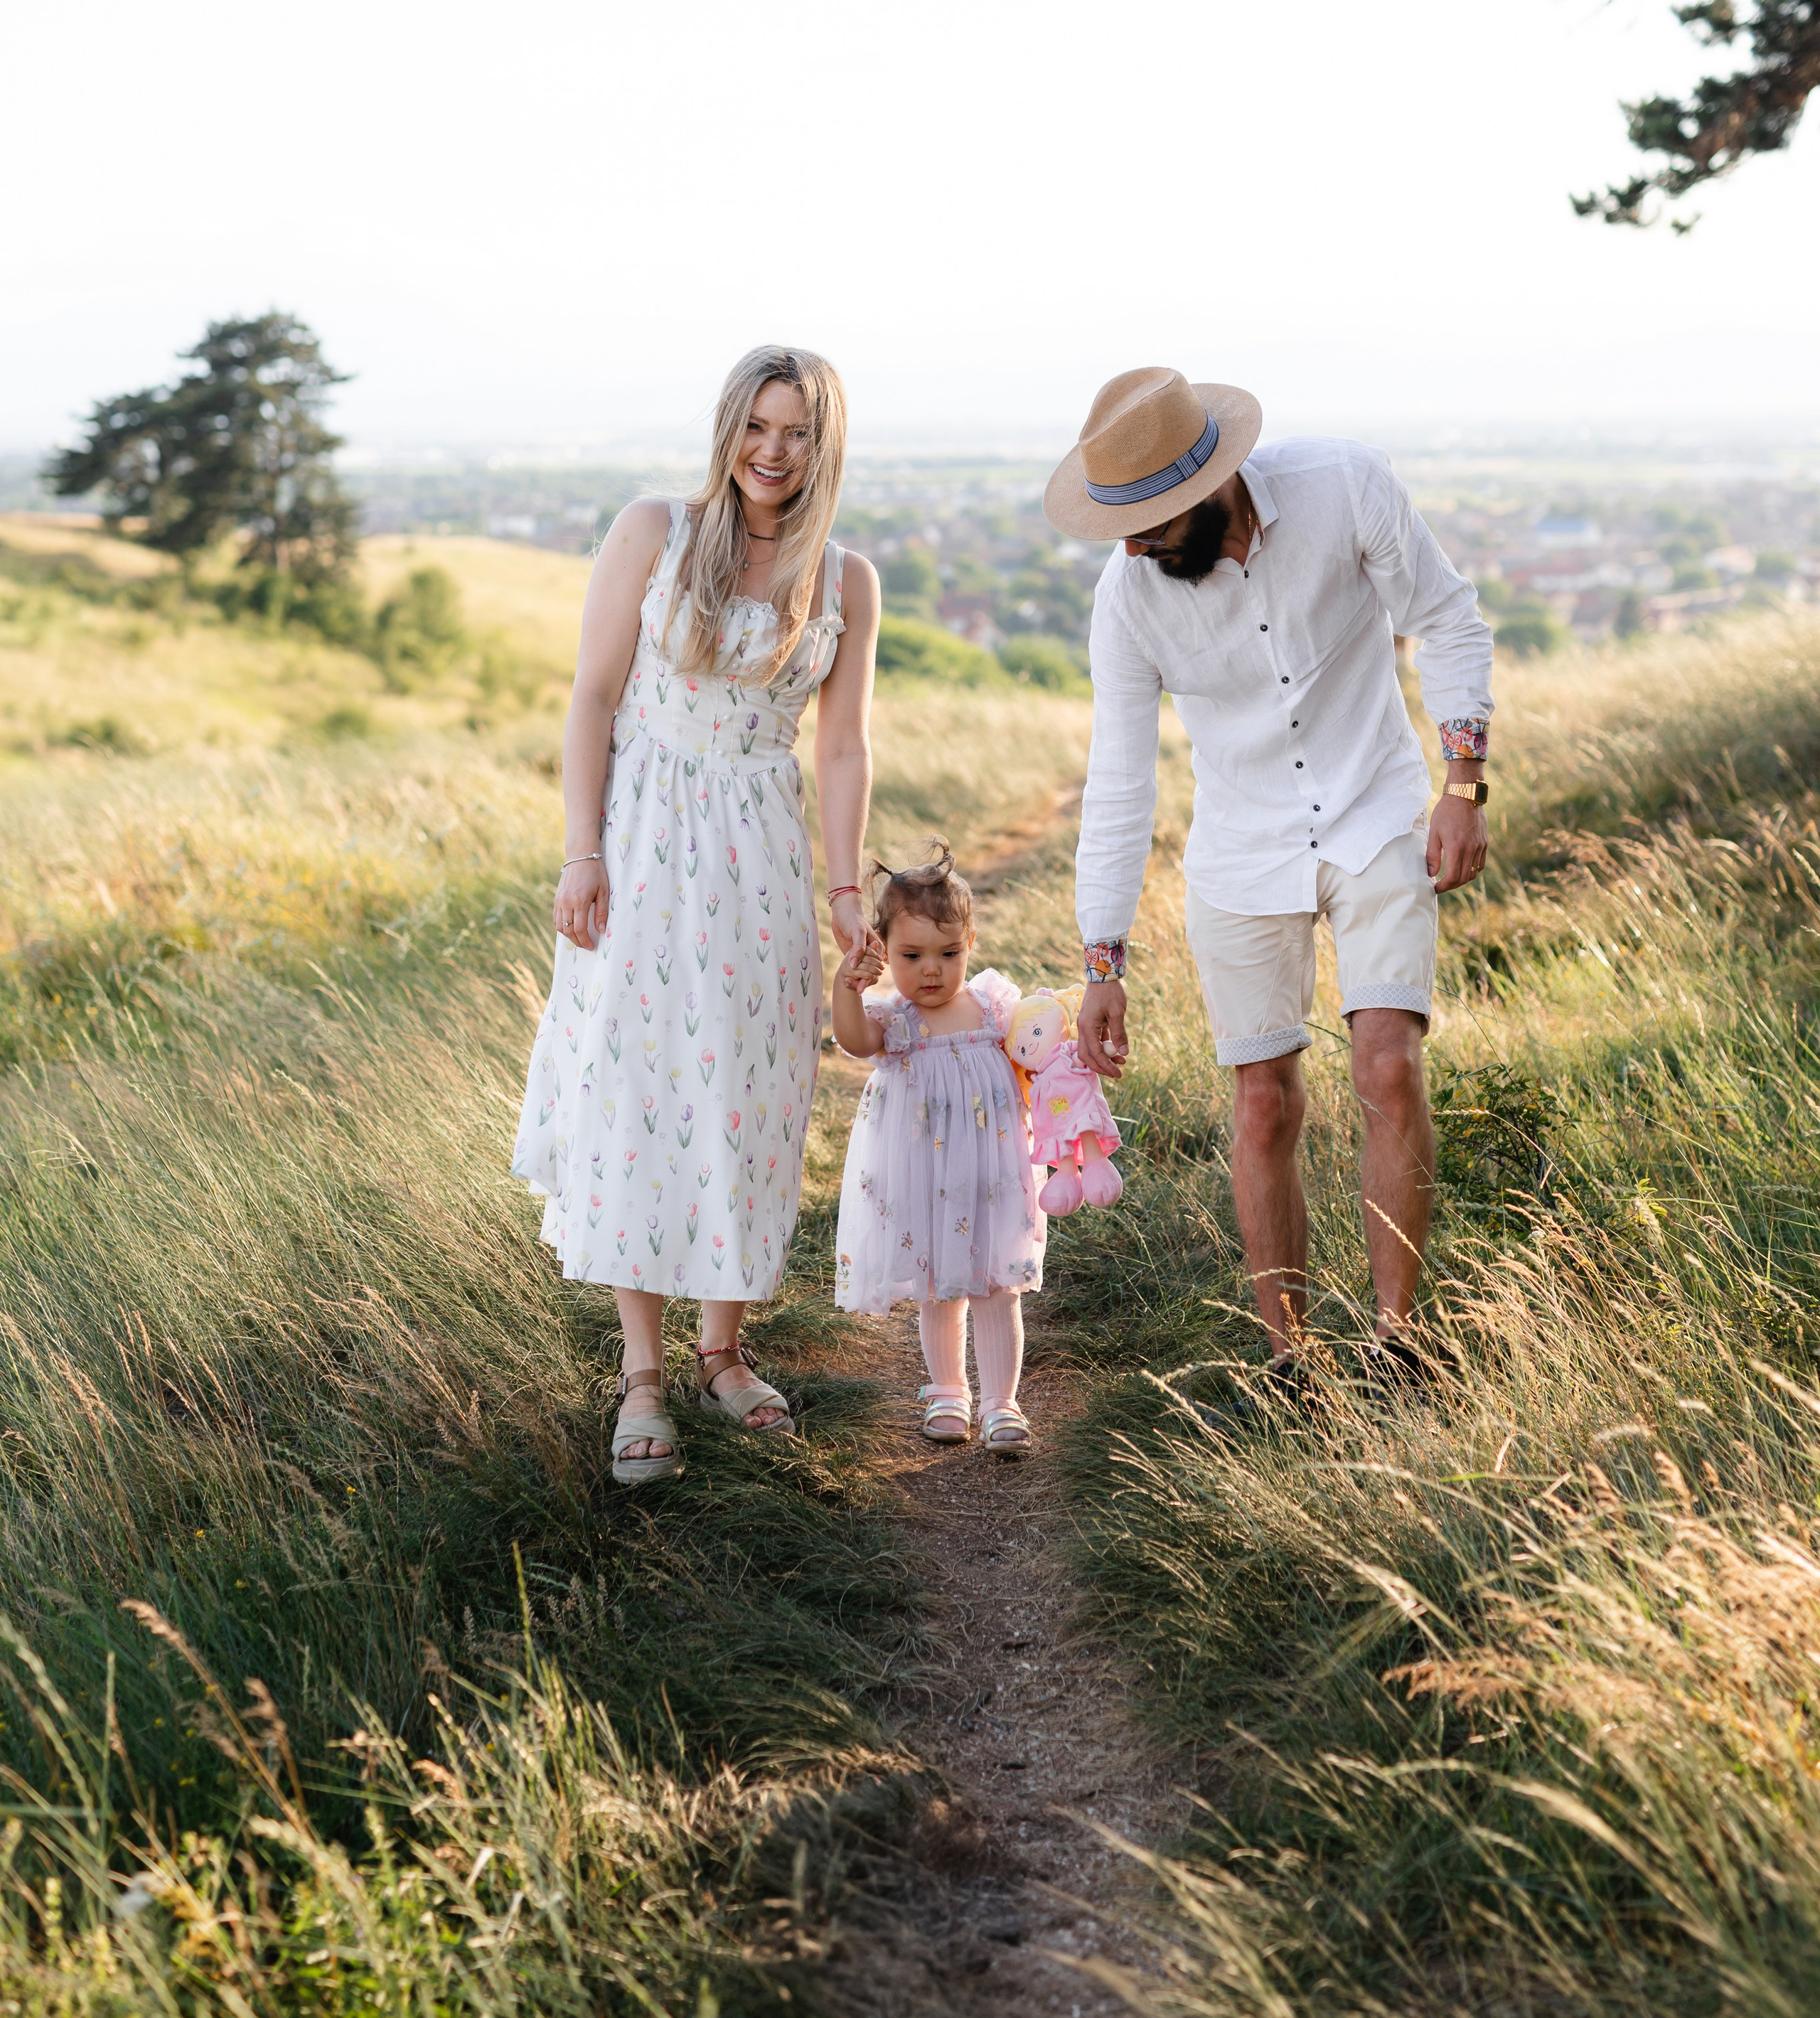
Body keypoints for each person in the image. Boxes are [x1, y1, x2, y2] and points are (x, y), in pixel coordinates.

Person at [1049, 366, 1493, 1394]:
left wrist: (1463, 782)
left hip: (1378, 808)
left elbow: (1451, 619)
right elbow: (1117, 779)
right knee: (1263, 1104)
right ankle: (1293, 1362)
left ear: (1211, 485)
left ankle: (1398, 1345)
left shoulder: (1347, 487)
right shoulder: (1129, 599)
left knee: (1387, 1064)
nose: (1132, 545)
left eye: (1151, 521)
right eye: (1122, 523)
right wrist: (1102, 958)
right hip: (1243, 847)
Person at [513, 346, 881, 1484]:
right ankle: (643, 1373)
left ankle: (723, 1352)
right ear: (730, 428)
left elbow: (843, 744)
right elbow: (592, 695)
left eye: (799, 432)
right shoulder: (653, 532)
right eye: (759, 427)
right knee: (639, 1086)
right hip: (646, 837)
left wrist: (847, 888)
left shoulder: (845, 577)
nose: (774, 452)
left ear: (826, 446)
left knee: (750, 1091)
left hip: (762, 849)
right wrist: (583, 851)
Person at [830, 846, 1044, 1456]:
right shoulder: (894, 1020)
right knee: (939, 1284)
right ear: (884, 949)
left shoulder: (992, 1006)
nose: (932, 970)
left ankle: (1003, 1404)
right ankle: (948, 1391)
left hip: (991, 1173)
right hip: (926, 1174)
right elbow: (850, 1039)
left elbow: (1036, 1051)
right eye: (912, 955)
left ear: (970, 942)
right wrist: (850, 986)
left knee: (998, 1284)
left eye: (949, 954)